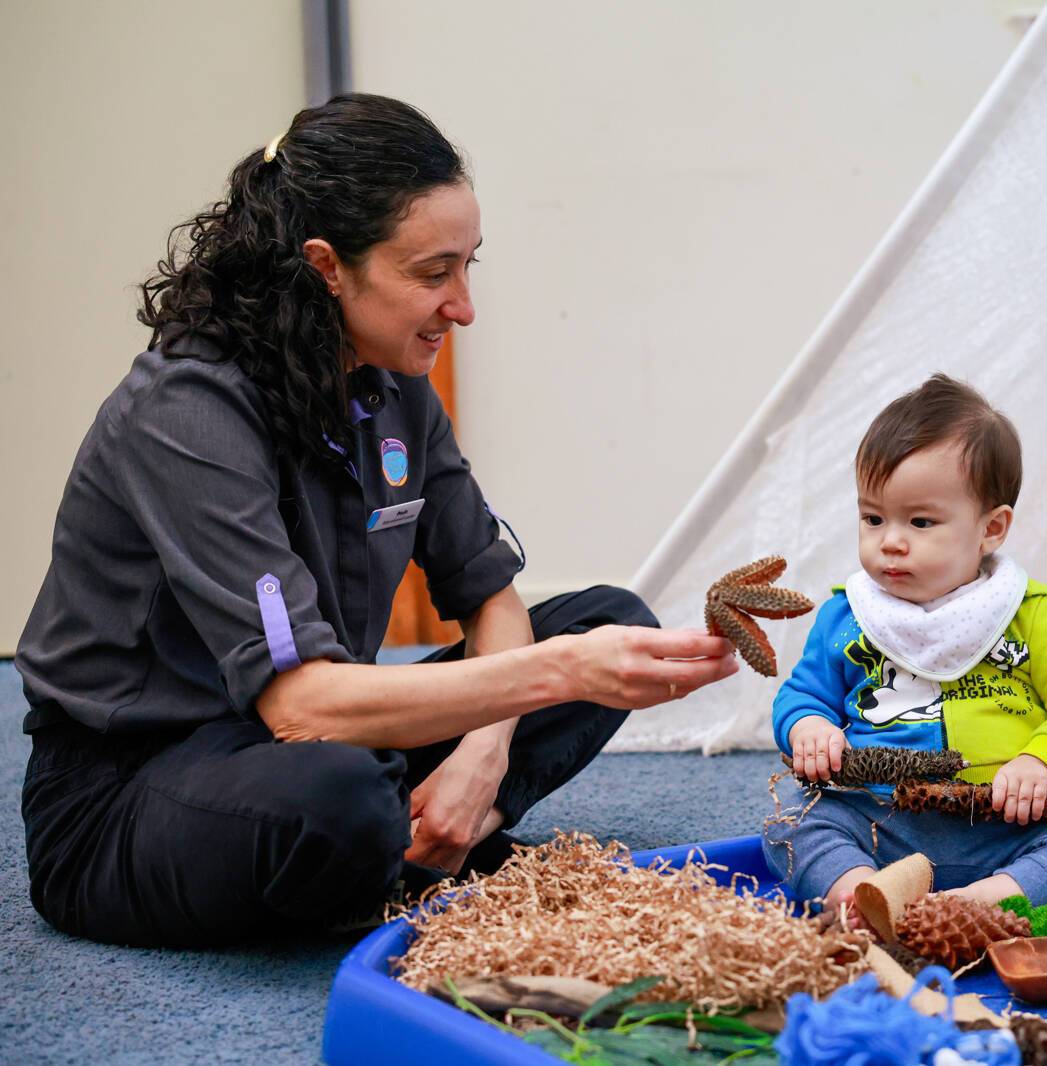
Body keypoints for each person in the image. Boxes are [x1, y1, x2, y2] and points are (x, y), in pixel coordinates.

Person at [16, 94, 736, 948]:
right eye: (433, 274)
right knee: (344, 792)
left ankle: (413, 841)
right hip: (128, 794)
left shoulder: (395, 385)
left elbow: (492, 600)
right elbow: (302, 707)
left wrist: (482, 754)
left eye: (469, 266)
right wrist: (561, 675)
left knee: (608, 617)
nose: (463, 306)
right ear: (327, 266)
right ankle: (389, 851)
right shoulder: (186, 410)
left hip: (323, 737)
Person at [762, 374, 1047, 913]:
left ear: (991, 529)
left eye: (920, 521)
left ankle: (985, 898)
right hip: (877, 820)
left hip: (1003, 825)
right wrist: (809, 727)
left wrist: (1041, 762)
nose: (890, 539)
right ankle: (864, 892)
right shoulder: (850, 614)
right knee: (788, 823)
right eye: (873, 517)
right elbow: (804, 694)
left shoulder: (1032, 615)